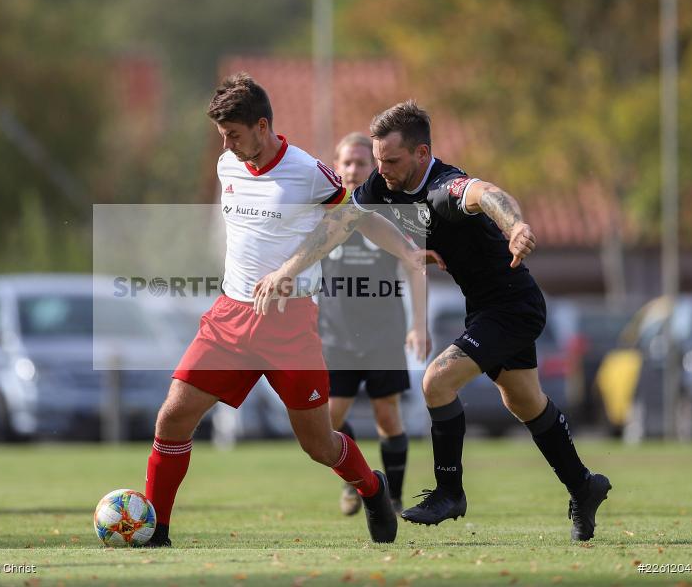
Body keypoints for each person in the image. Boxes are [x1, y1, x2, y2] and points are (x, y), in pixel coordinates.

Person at [253, 101, 611, 542]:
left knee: (436, 381)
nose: (381, 169)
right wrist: (288, 270)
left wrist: (515, 225)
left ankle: (450, 491)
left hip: (514, 306)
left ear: (422, 154)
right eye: (378, 159)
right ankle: (584, 486)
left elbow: (488, 194)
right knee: (524, 402)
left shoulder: (445, 187)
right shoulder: (382, 185)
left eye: (392, 160)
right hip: (485, 308)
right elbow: (342, 223)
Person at [141, 74, 439, 547]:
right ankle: (155, 530)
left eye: (234, 134)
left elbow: (356, 217)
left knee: (319, 445)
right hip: (229, 319)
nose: (227, 144)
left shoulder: (306, 171)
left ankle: (372, 487)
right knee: (172, 418)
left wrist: (406, 249)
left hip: (289, 324)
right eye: (222, 135)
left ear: (262, 126)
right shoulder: (226, 166)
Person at [318, 132, 431, 517]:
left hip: (384, 331)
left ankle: (393, 499)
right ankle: (357, 480)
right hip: (335, 333)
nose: (353, 169)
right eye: (346, 162)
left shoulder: (392, 211)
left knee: (387, 415)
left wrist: (419, 324)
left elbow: (415, 267)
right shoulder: (323, 212)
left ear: (374, 169)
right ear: (336, 167)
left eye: (361, 163)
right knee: (328, 419)